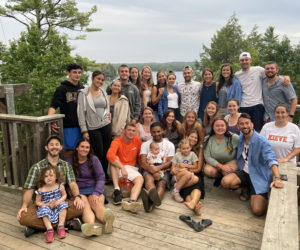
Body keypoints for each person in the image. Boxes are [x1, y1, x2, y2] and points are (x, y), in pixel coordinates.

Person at [17, 135, 101, 237]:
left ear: (61, 147)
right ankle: (66, 223)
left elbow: (73, 184)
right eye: (51, 144)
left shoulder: (66, 165)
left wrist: (77, 197)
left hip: (60, 203)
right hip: (42, 205)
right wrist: (24, 206)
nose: (54, 147)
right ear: (46, 147)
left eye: (57, 144)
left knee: (80, 206)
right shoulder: (37, 167)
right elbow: (29, 189)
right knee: (23, 218)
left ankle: (38, 226)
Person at [221, 113, 284, 216]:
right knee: (225, 182)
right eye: (242, 124)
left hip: (258, 175)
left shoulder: (262, 141)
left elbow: (271, 159)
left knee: (257, 211)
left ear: (252, 124)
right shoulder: (241, 136)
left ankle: (257, 192)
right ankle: (246, 188)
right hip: (245, 171)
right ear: (238, 127)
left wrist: (277, 178)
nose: (245, 126)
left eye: (247, 123)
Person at [66, 139, 115, 234]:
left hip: (94, 188)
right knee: (84, 205)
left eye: (87, 147)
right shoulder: (69, 161)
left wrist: (97, 192)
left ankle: (106, 220)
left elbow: (101, 177)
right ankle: (92, 225)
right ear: (77, 148)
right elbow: (68, 180)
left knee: (96, 203)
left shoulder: (94, 159)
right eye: (82, 146)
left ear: (89, 149)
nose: (84, 149)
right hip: (78, 190)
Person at [235, 52, 290, 131]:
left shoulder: (258, 70)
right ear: (239, 62)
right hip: (243, 106)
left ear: (250, 60)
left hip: (257, 105)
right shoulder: (237, 74)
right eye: (242, 60)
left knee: (257, 130)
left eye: (246, 59)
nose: (244, 61)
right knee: (244, 130)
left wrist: (285, 77)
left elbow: (271, 74)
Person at [77, 71, 111, 180]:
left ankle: (105, 175)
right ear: (92, 78)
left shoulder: (103, 92)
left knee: (106, 151)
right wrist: (84, 130)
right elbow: (80, 113)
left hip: (106, 125)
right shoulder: (84, 93)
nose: (100, 81)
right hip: (93, 127)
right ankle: (98, 174)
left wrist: (107, 115)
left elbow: (107, 107)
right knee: (98, 152)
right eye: (98, 79)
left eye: (102, 80)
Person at [106, 122, 144, 213]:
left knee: (140, 179)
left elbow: (139, 157)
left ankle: (132, 202)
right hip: (116, 169)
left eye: (133, 131)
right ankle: (116, 190)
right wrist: (122, 167)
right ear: (124, 131)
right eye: (129, 130)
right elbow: (109, 156)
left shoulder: (137, 140)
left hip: (130, 168)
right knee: (115, 160)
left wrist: (142, 169)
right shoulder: (116, 141)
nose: (131, 132)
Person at [48, 63, 84, 156]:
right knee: (70, 152)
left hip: (83, 126)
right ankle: (68, 170)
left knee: (82, 151)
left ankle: (78, 171)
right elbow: (53, 106)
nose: (77, 75)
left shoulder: (83, 89)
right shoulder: (62, 89)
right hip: (69, 126)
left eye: (79, 72)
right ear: (68, 73)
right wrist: (50, 121)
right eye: (74, 72)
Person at [140, 122, 175, 212]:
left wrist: (158, 168)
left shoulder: (170, 145)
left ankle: (150, 203)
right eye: (154, 132)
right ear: (150, 133)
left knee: (161, 183)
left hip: (164, 170)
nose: (156, 134)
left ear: (163, 131)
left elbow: (171, 162)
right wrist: (152, 170)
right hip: (149, 168)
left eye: (158, 131)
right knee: (148, 179)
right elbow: (143, 162)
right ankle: (153, 202)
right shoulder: (145, 145)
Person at [35, 166, 68, 242]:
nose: (48, 178)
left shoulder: (60, 186)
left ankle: (61, 226)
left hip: (57, 204)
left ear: (56, 176)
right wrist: (46, 205)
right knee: (43, 210)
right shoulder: (41, 189)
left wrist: (58, 202)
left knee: (63, 205)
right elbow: (37, 202)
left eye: (51, 175)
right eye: (46, 176)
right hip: (47, 206)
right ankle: (49, 230)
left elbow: (64, 195)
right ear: (42, 178)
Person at [203, 118, 239, 186]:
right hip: (215, 163)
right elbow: (207, 156)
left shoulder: (234, 138)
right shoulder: (207, 139)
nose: (220, 128)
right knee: (208, 171)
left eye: (222, 125)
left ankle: (226, 179)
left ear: (226, 126)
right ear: (213, 127)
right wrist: (221, 166)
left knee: (228, 172)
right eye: (217, 125)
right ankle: (219, 176)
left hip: (230, 161)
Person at [171, 139, 199, 203]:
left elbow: (195, 166)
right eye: (183, 149)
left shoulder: (192, 154)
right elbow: (173, 168)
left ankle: (176, 188)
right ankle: (176, 192)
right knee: (188, 174)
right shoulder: (177, 155)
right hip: (178, 175)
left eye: (188, 148)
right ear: (180, 149)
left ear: (190, 147)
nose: (186, 150)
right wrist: (175, 170)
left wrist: (185, 165)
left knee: (196, 179)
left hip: (188, 174)